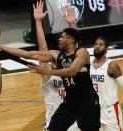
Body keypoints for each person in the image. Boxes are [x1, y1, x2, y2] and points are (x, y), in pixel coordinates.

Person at [0, 1, 100, 130]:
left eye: (62, 37)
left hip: (88, 102)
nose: (59, 39)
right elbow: (29, 54)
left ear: (70, 40)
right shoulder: (56, 55)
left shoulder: (82, 53)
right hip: (70, 103)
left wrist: (47, 72)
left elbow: (72, 71)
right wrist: (0, 46)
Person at [33, 2, 78, 130]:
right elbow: (42, 48)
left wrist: (72, 24)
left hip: (72, 126)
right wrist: (38, 21)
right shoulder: (48, 76)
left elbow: (74, 49)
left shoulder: (71, 71)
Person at [90, 36, 123, 131]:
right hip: (94, 111)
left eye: (101, 44)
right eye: (96, 44)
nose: (97, 46)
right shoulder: (88, 63)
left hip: (110, 111)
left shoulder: (112, 66)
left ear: (106, 49)